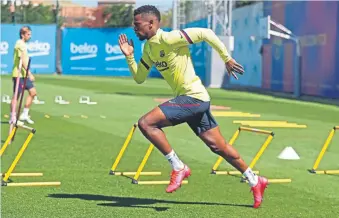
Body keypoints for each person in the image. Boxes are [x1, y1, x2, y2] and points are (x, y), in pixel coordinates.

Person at [118, 5, 268, 208]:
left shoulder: (169, 38)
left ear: (152, 23)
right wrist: (129, 56)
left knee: (146, 123)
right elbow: (139, 78)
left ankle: (178, 166)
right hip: (193, 101)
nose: (134, 29)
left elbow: (206, 33)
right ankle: (254, 179)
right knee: (218, 146)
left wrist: (227, 58)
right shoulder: (149, 49)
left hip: (193, 98)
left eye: (138, 25)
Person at [11, 26, 36, 125]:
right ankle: (12, 117)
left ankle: (24, 114)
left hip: (24, 75)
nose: (30, 36)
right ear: (23, 35)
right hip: (18, 74)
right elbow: (22, 61)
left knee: (33, 92)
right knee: (16, 96)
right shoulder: (19, 44)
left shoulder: (24, 44)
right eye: (28, 34)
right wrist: (29, 73)